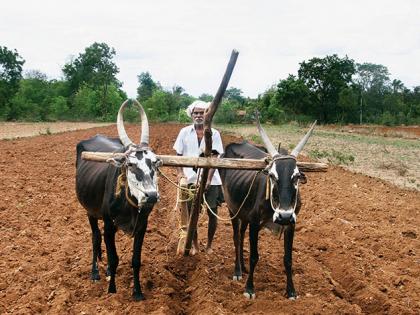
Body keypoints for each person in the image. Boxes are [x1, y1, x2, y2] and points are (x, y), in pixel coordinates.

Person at [173, 100, 224, 255]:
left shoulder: (214, 133)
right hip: (190, 179)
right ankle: (195, 244)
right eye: (196, 113)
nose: (199, 115)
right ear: (192, 115)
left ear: (207, 115)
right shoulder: (184, 132)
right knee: (191, 212)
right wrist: (181, 174)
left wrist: (208, 180)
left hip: (212, 180)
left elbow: (215, 158)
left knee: (212, 212)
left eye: (202, 113)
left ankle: (209, 244)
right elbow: (178, 155)